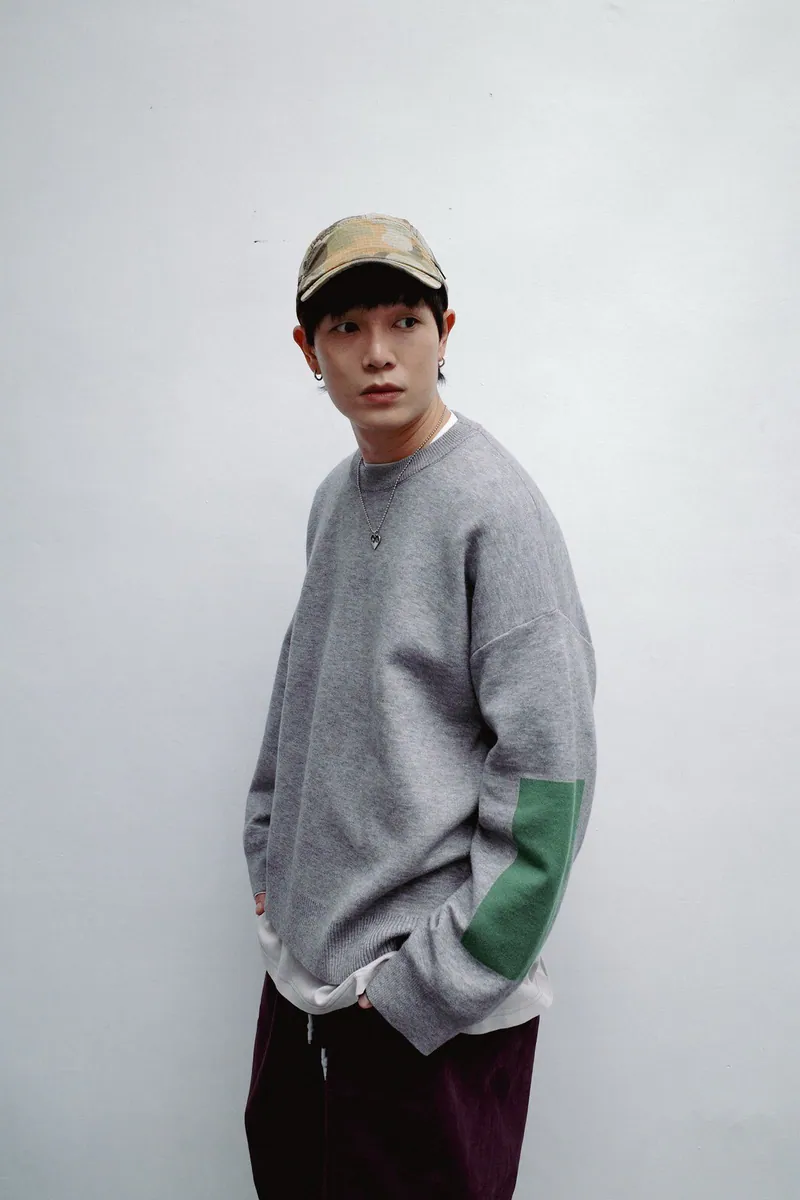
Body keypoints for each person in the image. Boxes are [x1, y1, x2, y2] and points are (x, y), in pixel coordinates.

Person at [242, 213, 597, 1199]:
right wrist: (270, 857)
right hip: (305, 990)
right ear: (308, 349)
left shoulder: (494, 511)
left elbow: (550, 784)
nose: (378, 353)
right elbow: (304, 689)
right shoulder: (336, 497)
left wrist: (426, 989)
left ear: (445, 333)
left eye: (404, 320)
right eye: (346, 327)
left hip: (423, 1020)